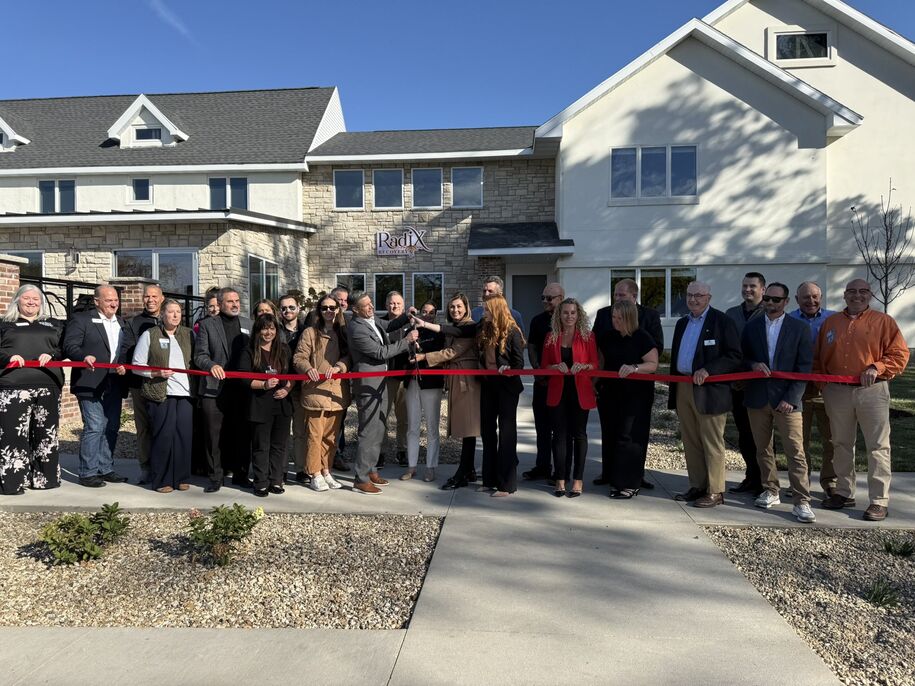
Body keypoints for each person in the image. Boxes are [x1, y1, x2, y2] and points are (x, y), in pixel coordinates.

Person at [815, 278, 909, 521]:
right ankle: (844, 492)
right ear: (845, 295)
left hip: (872, 391)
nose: (857, 296)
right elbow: (819, 358)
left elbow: (900, 354)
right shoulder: (831, 322)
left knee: (878, 446)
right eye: (852, 292)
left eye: (863, 291)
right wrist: (823, 385)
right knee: (841, 443)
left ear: (870, 295)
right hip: (837, 391)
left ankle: (879, 500)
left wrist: (877, 367)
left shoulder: (884, 321)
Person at [741, 283, 816, 523]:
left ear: (786, 302)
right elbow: (742, 358)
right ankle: (771, 489)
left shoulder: (800, 329)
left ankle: (802, 500)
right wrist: (752, 365)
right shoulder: (751, 327)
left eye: (776, 300)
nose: (770, 304)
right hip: (758, 397)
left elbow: (804, 368)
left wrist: (791, 399)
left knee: (795, 451)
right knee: (763, 448)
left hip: (788, 401)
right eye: (768, 299)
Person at [669, 281, 742, 508]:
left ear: (708, 297)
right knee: (690, 440)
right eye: (690, 295)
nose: (693, 299)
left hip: (710, 391)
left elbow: (734, 356)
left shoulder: (722, 322)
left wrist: (709, 369)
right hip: (684, 387)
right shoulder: (682, 323)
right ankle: (698, 485)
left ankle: (716, 490)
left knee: (711, 442)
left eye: (699, 295)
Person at [592, 278, 663, 489]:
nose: (614, 319)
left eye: (621, 296)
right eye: (615, 295)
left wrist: (635, 368)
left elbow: (654, 359)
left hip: (636, 392)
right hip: (610, 390)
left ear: (634, 298)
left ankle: (631, 479)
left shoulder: (644, 331)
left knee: (631, 435)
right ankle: (610, 474)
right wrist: (593, 381)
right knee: (611, 431)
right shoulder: (607, 331)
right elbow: (599, 356)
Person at [347, 291, 418, 494]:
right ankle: (360, 479)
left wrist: (406, 316)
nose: (371, 308)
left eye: (371, 304)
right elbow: (381, 353)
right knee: (368, 431)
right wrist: (407, 341)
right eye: (366, 306)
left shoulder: (370, 320)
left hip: (381, 382)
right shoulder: (356, 328)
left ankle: (371, 469)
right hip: (368, 385)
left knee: (379, 427)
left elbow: (388, 325)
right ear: (355, 309)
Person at [62, 285, 129, 488]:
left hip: (114, 381)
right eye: (108, 299)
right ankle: (87, 472)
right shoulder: (82, 319)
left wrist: (124, 364)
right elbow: (70, 345)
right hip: (89, 381)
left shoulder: (122, 323)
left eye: (116, 299)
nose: (113, 303)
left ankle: (105, 468)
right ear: (97, 301)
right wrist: (83, 356)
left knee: (112, 426)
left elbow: (125, 350)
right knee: (95, 426)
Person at [413, 293, 481, 490]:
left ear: (466, 307)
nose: (455, 310)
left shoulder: (469, 327)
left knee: (468, 428)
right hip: (457, 379)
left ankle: (463, 472)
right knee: (465, 429)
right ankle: (468, 470)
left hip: (466, 382)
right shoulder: (455, 328)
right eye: (452, 307)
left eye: (459, 306)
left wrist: (424, 356)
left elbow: (451, 352)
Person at [0, 285, 64, 495]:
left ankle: (45, 479)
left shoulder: (53, 324)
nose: (31, 302)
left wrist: (52, 356)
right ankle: (12, 483)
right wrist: (7, 358)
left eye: (35, 299)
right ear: (17, 300)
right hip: (13, 387)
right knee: (13, 435)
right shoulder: (4, 323)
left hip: (48, 385)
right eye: (26, 298)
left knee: (46, 435)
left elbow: (64, 347)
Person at [193, 287, 254, 492]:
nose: (235, 304)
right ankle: (215, 477)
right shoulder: (207, 325)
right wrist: (212, 366)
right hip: (214, 389)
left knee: (241, 434)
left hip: (242, 391)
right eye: (230, 301)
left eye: (237, 300)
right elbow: (199, 355)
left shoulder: (248, 324)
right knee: (214, 436)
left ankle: (240, 475)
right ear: (219, 304)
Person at [131, 299, 195, 494]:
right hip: (161, 393)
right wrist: (156, 373)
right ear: (162, 315)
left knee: (184, 437)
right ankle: (161, 480)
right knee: (163, 437)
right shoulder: (150, 335)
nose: (175, 315)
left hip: (184, 393)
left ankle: (181, 477)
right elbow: (137, 365)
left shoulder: (189, 334)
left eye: (178, 312)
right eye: (171, 312)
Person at [541, 298, 598, 497]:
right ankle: (560, 479)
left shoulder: (588, 337)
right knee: (559, 437)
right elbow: (544, 367)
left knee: (579, 435)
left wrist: (584, 366)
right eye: (565, 312)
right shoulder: (550, 337)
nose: (569, 316)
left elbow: (595, 365)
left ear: (578, 314)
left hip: (580, 391)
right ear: (559, 315)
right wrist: (556, 367)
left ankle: (578, 480)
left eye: (573, 312)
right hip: (558, 392)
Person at [294, 295, 350, 492]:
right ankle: (314, 473)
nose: (329, 311)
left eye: (332, 307)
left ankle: (327, 470)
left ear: (338, 309)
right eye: (324, 307)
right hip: (315, 391)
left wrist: (339, 366)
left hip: (336, 392)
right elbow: (299, 357)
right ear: (319, 310)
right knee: (314, 436)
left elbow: (348, 356)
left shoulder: (342, 332)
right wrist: (307, 368)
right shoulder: (310, 332)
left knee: (331, 437)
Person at [788, 281, 837, 496]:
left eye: (815, 296)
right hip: (799, 388)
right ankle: (801, 482)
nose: (811, 301)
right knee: (799, 439)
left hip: (828, 389)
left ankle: (831, 482)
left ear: (821, 297)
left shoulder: (834, 320)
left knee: (832, 438)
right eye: (805, 297)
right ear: (797, 300)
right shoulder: (788, 320)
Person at [239, 314, 294, 497]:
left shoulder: (284, 350)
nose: (268, 332)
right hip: (260, 404)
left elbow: (293, 376)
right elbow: (243, 378)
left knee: (279, 445)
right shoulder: (249, 351)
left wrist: (286, 389)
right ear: (258, 330)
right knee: (261, 445)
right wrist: (262, 385)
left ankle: (275, 481)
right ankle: (261, 482)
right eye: (264, 328)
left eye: (271, 328)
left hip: (282, 403)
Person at [477, 295, 525, 497]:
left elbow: (519, 363)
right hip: (488, 387)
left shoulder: (513, 331)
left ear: (496, 310)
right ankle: (489, 480)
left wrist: (509, 368)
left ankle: (506, 484)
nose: (484, 312)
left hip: (507, 389)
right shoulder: (484, 329)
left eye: (487, 309)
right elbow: (459, 330)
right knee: (487, 433)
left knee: (506, 434)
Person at [725, 272, 766, 496]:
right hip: (736, 384)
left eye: (752, 286)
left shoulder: (770, 312)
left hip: (760, 385)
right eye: (744, 286)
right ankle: (751, 477)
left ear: (763, 288)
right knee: (744, 433)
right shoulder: (731, 314)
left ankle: (766, 481)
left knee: (762, 435)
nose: (747, 290)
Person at [121, 283, 163, 484]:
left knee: (164, 426)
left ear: (162, 298)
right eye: (147, 296)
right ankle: (146, 467)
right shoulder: (134, 323)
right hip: (140, 383)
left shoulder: (172, 318)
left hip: (167, 383)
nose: (150, 300)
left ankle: (164, 465)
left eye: (154, 296)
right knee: (144, 427)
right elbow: (127, 349)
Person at [523, 282, 564, 482]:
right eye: (543, 298)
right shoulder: (537, 321)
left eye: (550, 298)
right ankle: (543, 466)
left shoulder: (568, 320)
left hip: (561, 384)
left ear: (561, 299)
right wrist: (537, 370)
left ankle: (560, 471)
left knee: (560, 429)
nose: (545, 302)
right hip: (541, 382)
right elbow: (531, 346)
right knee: (542, 427)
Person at [401, 301, 445, 482]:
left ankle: (430, 467)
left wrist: (423, 353)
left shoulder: (439, 334)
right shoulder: (409, 332)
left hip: (431, 383)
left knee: (432, 426)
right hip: (412, 382)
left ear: (435, 315)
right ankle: (411, 466)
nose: (426, 315)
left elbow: (442, 356)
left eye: (431, 313)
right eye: (424, 312)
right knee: (412, 426)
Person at [278, 293, 310, 484]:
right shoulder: (275, 331)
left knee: (300, 431)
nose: (287, 311)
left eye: (291, 307)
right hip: (280, 387)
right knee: (281, 432)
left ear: (298, 308)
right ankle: (280, 470)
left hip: (301, 388)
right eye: (284, 308)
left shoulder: (307, 331)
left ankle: (301, 469)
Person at [378, 290, 409, 469]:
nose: (394, 306)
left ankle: (402, 451)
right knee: (383, 416)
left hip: (405, 377)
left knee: (403, 418)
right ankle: (381, 452)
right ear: (386, 305)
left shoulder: (410, 323)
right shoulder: (380, 324)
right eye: (391, 303)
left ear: (403, 306)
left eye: (398, 303)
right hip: (386, 377)